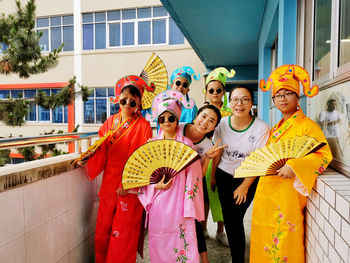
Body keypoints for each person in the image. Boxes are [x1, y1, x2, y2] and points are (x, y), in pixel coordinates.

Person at [250, 65, 333, 262]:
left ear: (298, 97)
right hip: (266, 192)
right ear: (273, 101)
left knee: (285, 235)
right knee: (263, 235)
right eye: (278, 95)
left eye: (288, 93)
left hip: (287, 194)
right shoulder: (275, 128)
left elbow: (323, 155)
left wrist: (295, 165)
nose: (283, 98)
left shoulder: (307, 126)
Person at [78, 75, 153, 263]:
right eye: (124, 99)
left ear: (139, 103)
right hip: (109, 184)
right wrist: (88, 157)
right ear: (117, 100)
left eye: (133, 101)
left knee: (124, 233)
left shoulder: (144, 127)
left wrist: (127, 184)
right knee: (103, 229)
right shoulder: (110, 122)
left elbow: (143, 159)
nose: (128, 103)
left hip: (130, 188)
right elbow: (101, 149)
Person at [139, 92, 204, 263]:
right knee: (160, 241)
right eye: (162, 118)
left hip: (181, 201)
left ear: (177, 120)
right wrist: (155, 186)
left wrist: (189, 203)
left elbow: (194, 175)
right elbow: (143, 177)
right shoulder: (150, 145)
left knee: (183, 241)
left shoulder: (186, 144)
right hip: (158, 202)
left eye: (171, 118)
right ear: (158, 121)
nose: (166, 121)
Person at [212, 85, 270, 263]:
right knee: (229, 218)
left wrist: (245, 186)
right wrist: (213, 176)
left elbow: (259, 161)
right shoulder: (222, 124)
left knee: (235, 217)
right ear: (229, 103)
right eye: (235, 99)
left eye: (245, 99)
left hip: (248, 178)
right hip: (224, 175)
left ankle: (238, 258)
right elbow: (217, 153)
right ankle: (236, 256)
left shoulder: (261, 128)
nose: (240, 104)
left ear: (252, 103)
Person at [179, 104, 228, 262]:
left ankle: (203, 259)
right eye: (204, 116)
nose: (205, 122)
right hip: (170, 185)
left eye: (212, 121)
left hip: (188, 187)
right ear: (196, 116)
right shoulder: (178, 128)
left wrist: (207, 157)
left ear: (214, 126)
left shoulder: (207, 145)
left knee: (193, 221)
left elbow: (199, 173)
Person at [202, 67, 236, 246]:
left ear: (223, 92)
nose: (215, 93)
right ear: (206, 92)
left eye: (218, 90)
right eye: (211, 90)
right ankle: (203, 228)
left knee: (222, 197)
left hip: (224, 161)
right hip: (204, 159)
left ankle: (221, 231)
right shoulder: (201, 112)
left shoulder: (230, 113)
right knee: (203, 197)